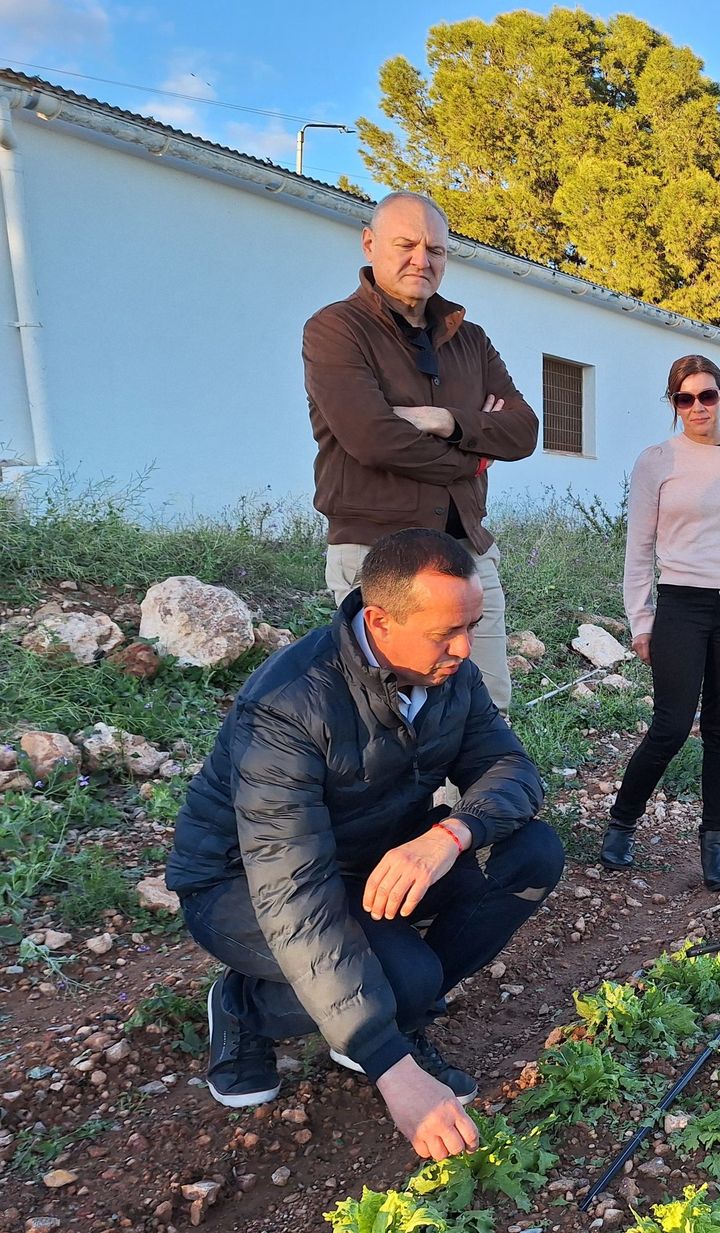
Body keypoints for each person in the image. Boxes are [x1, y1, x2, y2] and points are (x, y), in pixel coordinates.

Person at [166, 529, 564, 1162]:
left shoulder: (450, 675)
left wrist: (448, 835)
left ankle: (396, 1010)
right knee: (405, 976)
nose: (465, 649)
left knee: (532, 853)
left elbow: (510, 770)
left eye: (472, 626)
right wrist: (391, 1070)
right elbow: (294, 891)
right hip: (241, 883)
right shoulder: (289, 705)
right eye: (446, 633)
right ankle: (244, 1006)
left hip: (364, 860)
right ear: (380, 621)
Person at [303, 190, 540, 714]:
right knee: (385, 714)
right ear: (369, 244)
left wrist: (447, 421)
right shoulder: (336, 330)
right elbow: (372, 438)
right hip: (376, 557)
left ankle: (471, 778)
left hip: (466, 554)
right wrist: (475, 455)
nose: (421, 260)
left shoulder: (471, 340)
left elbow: (524, 431)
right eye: (406, 244)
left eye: (435, 249)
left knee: (485, 709)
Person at [601, 355, 720, 890]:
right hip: (681, 604)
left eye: (707, 395)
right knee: (670, 723)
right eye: (685, 399)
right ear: (674, 404)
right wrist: (641, 620)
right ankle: (621, 824)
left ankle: (715, 844)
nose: (698, 407)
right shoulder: (657, 460)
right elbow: (639, 549)